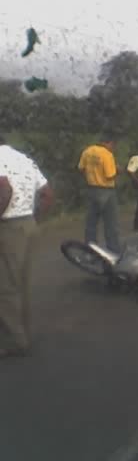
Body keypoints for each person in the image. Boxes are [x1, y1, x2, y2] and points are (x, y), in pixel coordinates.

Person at [0, 134, 53, 358]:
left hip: (8, 225)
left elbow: (4, 190)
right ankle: (22, 333)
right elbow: (48, 194)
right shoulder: (24, 159)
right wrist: (35, 220)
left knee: (5, 287)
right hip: (27, 224)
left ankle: (13, 341)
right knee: (21, 283)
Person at [77, 133, 120, 253]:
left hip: (91, 190)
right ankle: (114, 251)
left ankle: (90, 252)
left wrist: (91, 177)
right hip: (106, 191)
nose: (113, 148)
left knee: (91, 224)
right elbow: (110, 175)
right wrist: (118, 170)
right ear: (109, 143)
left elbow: (81, 168)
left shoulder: (88, 151)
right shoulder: (107, 154)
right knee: (111, 224)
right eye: (113, 145)